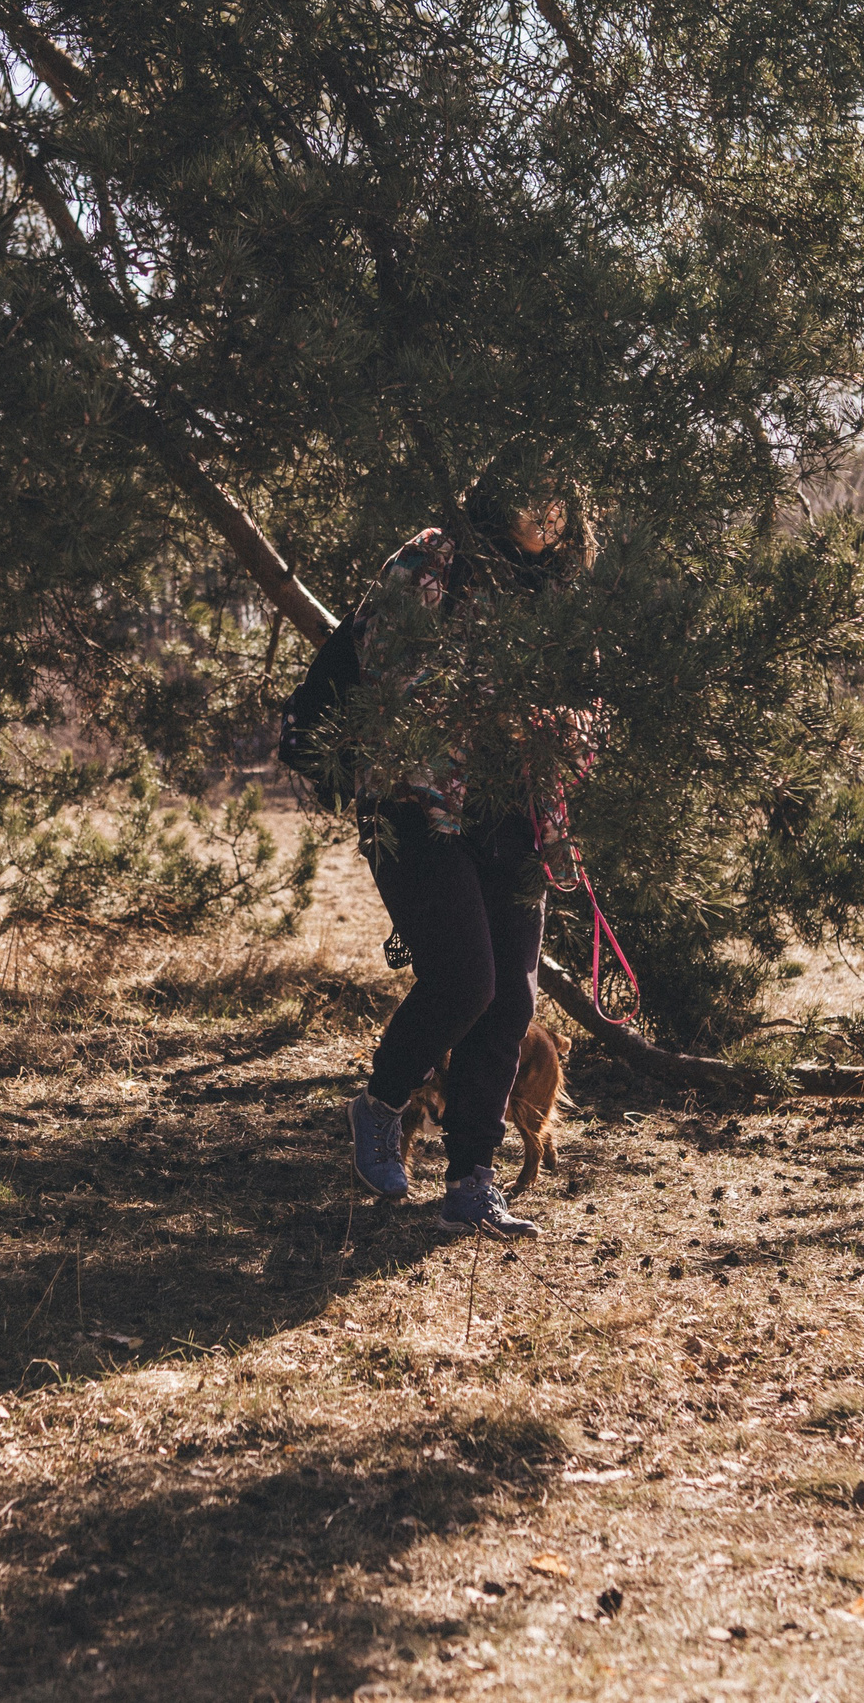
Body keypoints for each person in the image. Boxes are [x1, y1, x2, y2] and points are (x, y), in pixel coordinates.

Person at [341, 456, 594, 1239]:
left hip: (517, 813)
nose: (547, 510)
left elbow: (591, 713)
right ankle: (382, 1104)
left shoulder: (568, 594)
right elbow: (383, 671)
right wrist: (496, 707)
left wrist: (559, 728)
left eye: (560, 496)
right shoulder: (432, 559)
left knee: (511, 1000)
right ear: (498, 492)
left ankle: (471, 1180)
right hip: (417, 802)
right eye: (532, 490)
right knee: (465, 980)